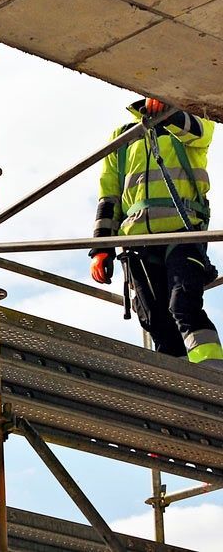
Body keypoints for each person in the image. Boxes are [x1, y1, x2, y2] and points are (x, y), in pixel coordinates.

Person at [90, 97, 223, 370]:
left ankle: (213, 373)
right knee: (154, 318)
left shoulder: (194, 121)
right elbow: (109, 196)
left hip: (183, 233)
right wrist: (102, 248)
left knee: (183, 304)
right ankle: (177, 381)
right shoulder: (124, 136)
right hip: (137, 241)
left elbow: (199, 130)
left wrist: (168, 110)